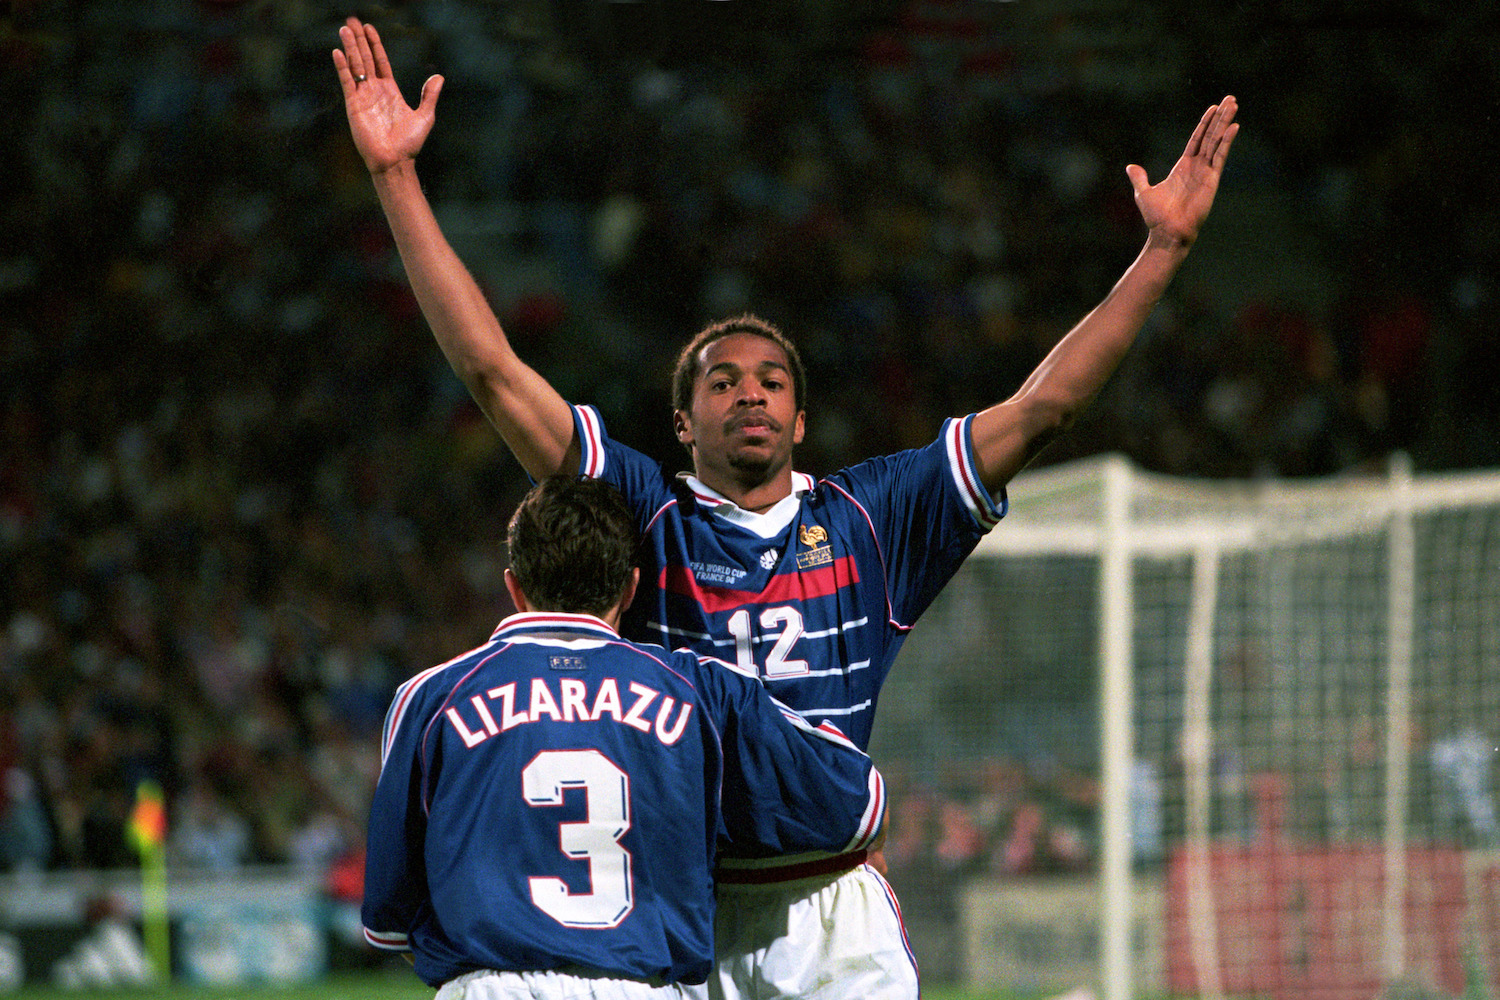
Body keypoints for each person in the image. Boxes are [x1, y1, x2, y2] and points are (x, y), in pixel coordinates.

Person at [334, 16, 1239, 998]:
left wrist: (1161, 256)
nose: (750, 392)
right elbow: (492, 372)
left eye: (771, 379)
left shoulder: (875, 517)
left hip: (830, 905)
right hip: (684, 909)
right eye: (721, 382)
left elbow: (1046, 408)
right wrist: (396, 178)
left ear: (802, 417)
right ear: (682, 424)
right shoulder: (646, 514)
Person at [360, 475, 887, 997]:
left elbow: (390, 920)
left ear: (514, 586)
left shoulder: (431, 699)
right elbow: (856, 804)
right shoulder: (699, 690)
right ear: (632, 587)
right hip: (642, 985)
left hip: (487, 987)